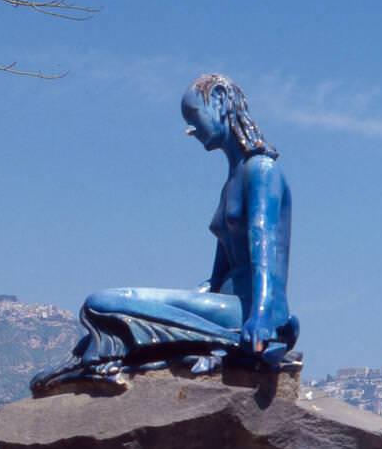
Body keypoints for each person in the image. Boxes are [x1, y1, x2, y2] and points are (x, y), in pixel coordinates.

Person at [34, 74, 295, 391]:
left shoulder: (261, 171)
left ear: (222, 100)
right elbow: (218, 274)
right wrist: (195, 294)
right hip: (225, 306)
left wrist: (262, 318)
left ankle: (223, 343)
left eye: (195, 118)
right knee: (105, 309)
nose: (191, 130)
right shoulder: (232, 181)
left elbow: (264, 255)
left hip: (249, 311)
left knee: (101, 304)